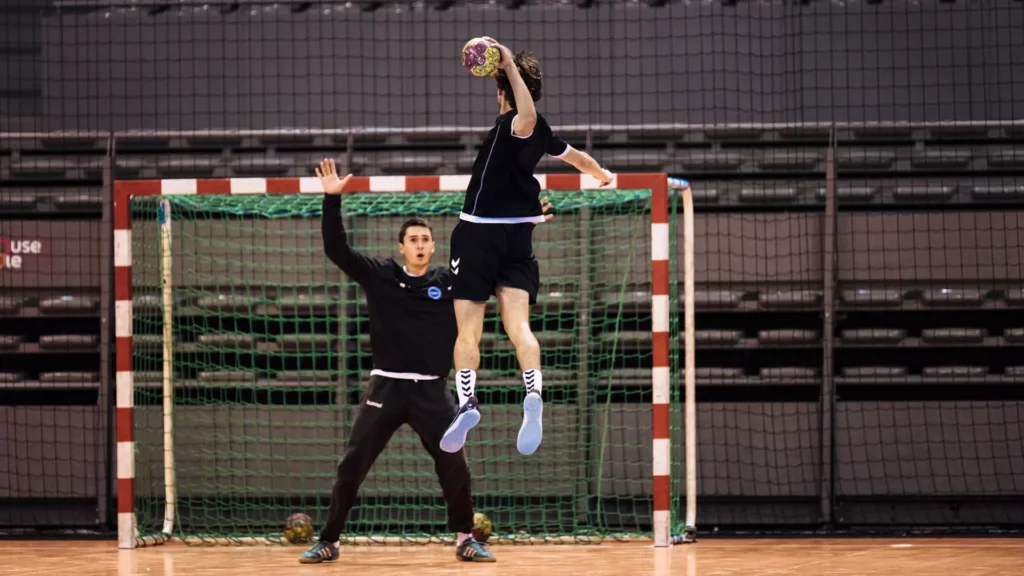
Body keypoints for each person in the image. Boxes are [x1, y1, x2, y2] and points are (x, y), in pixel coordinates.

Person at [299, 159, 552, 565]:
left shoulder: (449, 283)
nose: (419, 244)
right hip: (386, 386)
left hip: (433, 390)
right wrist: (332, 199)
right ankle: (329, 539)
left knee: (455, 468)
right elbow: (336, 250)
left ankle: (465, 538)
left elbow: (497, 267)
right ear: (401, 247)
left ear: (433, 247)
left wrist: (525, 224)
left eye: (425, 239)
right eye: (412, 239)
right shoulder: (380, 275)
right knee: (351, 465)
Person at [440, 38, 614, 457]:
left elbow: (527, 114)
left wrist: (508, 66)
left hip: (478, 234)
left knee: (468, 330)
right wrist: (603, 173)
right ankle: (532, 393)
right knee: (519, 328)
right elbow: (578, 160)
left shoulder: (516, 125)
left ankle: (467, 403)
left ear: (505, 91)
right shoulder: (544, 132)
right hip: (518, 237)